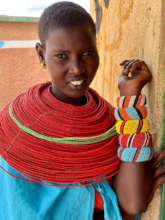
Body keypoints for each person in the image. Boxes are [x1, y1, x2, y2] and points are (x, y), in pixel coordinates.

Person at [0, 2, 165, 220]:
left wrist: (130, 97)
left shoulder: (105, 120)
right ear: (41, 54)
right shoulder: (16, 127)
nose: (77, 68)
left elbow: (132, 203)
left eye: (87, 53)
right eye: (61, 56)